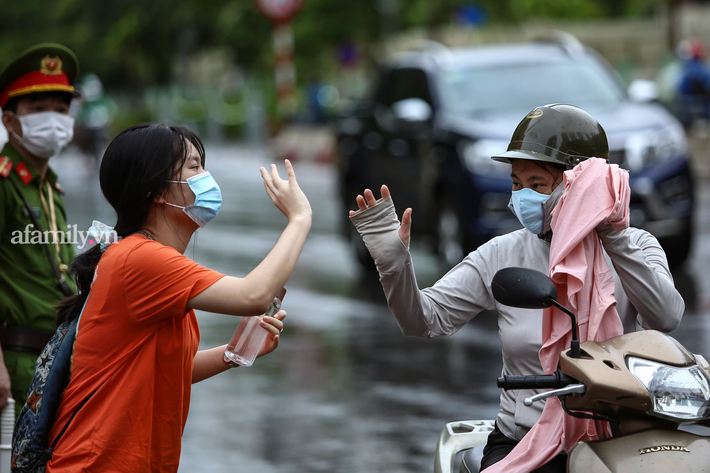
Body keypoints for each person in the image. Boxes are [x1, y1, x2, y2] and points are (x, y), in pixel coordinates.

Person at [349, 104, 684, 472]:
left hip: (622, 438)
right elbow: (423, 320)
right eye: (516, 183)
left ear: (581, 184)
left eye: (537, 184)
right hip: (525, 439)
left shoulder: (634, 245)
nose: (522, 196)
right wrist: (393, 263)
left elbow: (665, 316)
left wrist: (614, 238)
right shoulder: (502, 253)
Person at [44, 123, 312, 472]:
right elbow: (255, 295)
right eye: (194, 167)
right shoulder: (140, 258)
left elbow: (163, 372)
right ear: (155, 190)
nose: (207, 177)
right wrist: (300, 218)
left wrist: (232, 354)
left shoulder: (150, 260)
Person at [0, 43, 80, 417]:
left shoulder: (50, 188)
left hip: (54, 359)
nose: (53, 119)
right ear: (9, 120)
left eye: (61, 110)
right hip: (15, 362)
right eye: (37, 109)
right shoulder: (4, 183)